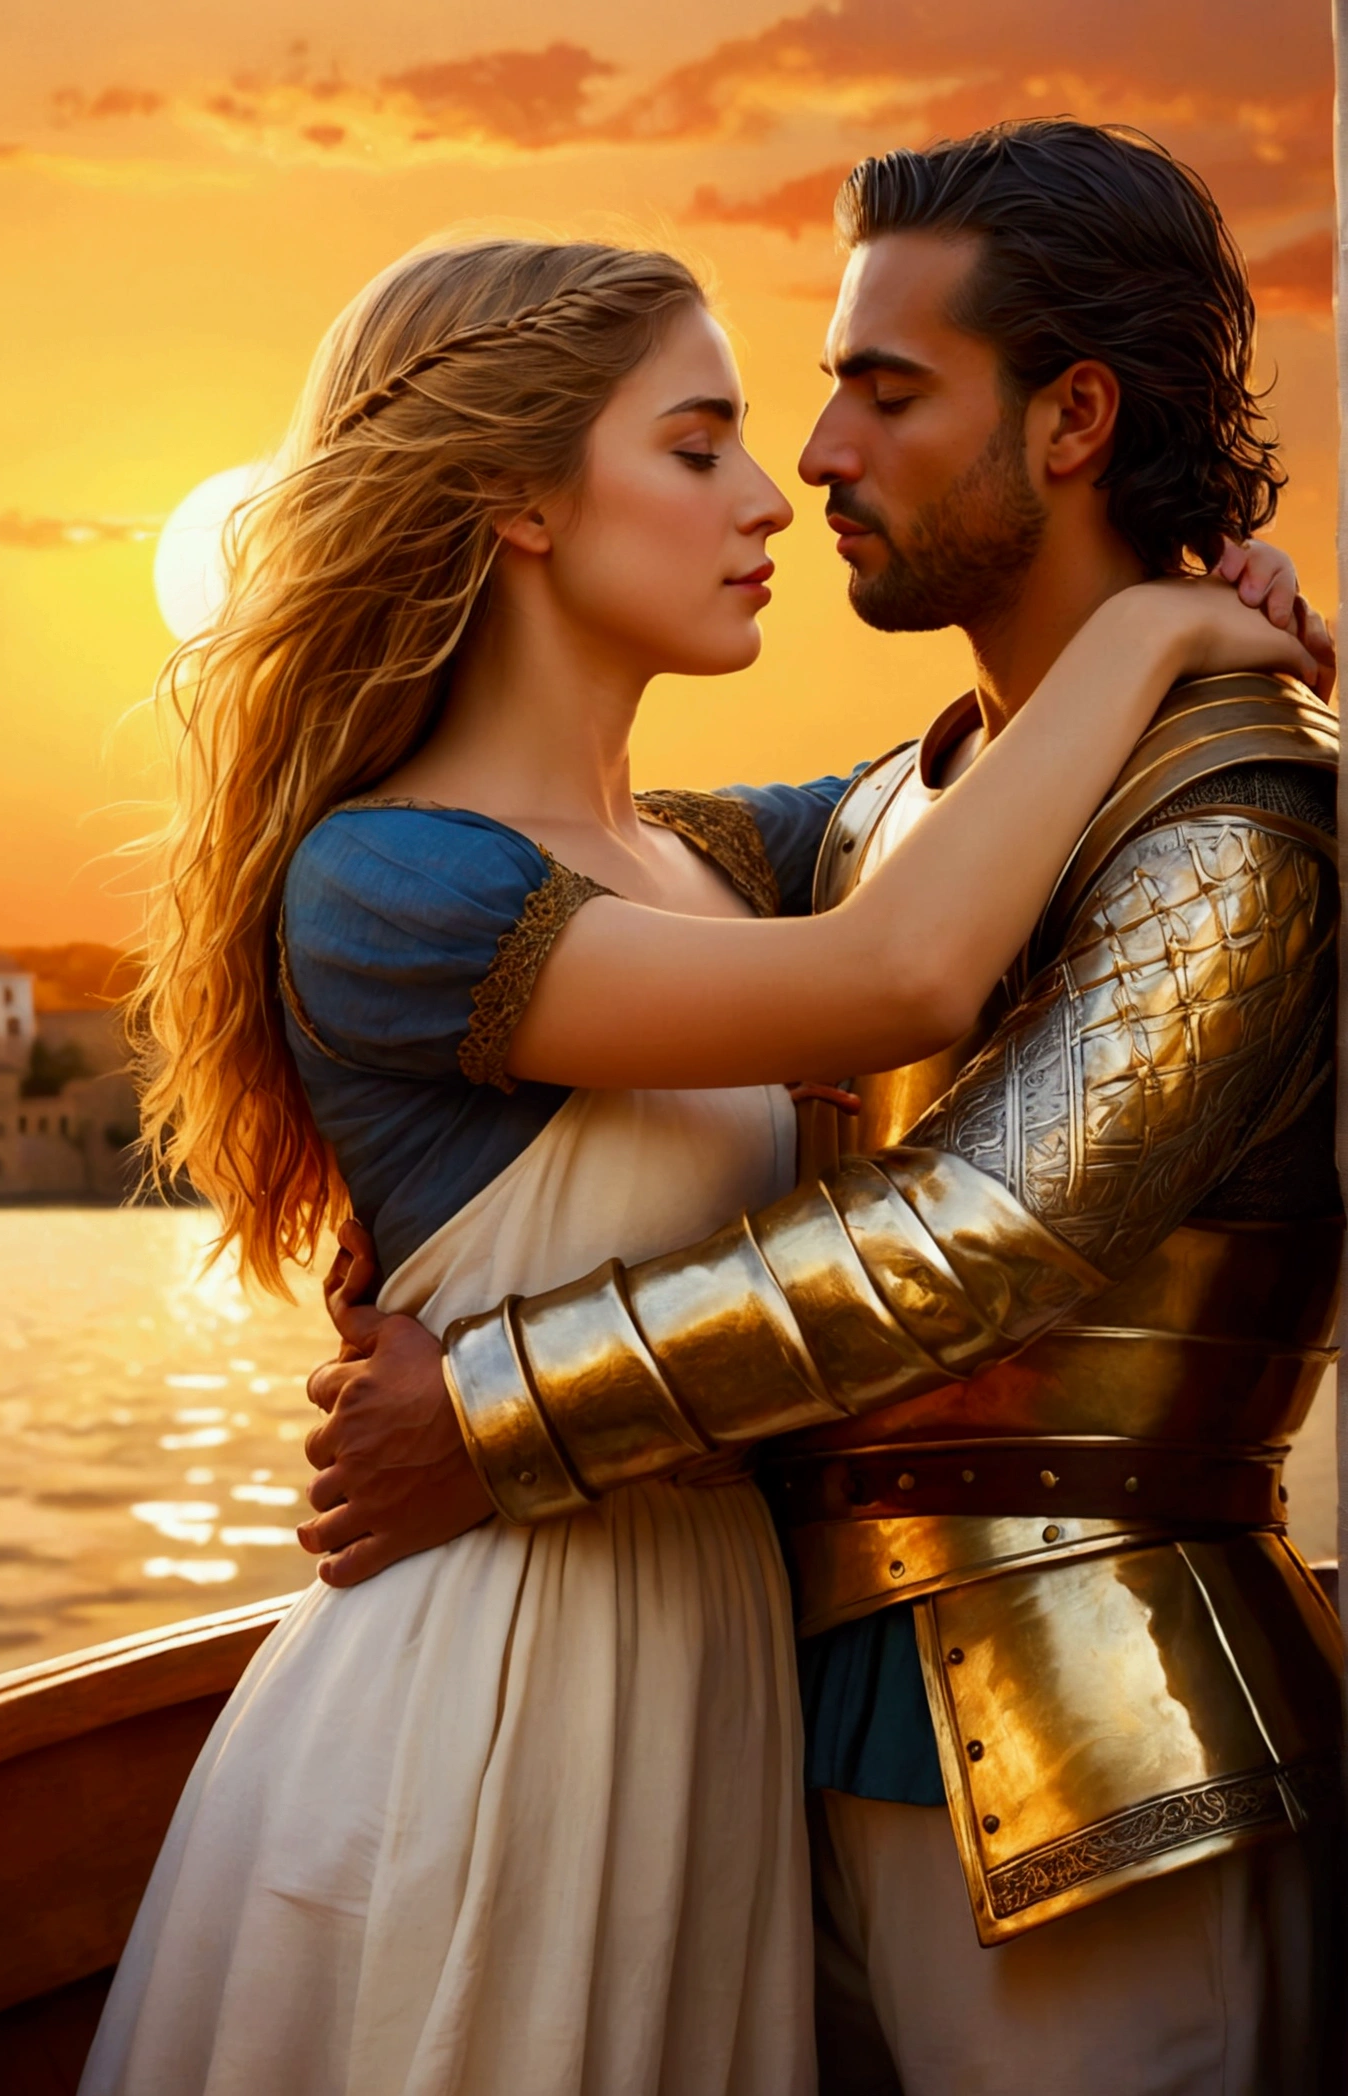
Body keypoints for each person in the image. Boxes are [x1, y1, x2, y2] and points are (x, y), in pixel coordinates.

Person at [299, 126, 1343, 2096]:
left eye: (882, 389)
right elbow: (551, 869)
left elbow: (976, 1234)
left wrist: (496, 1408)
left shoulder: (1235, 816)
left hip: (1098, 1742)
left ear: (1070, 420)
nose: (818, 455)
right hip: (775, 1733)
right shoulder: (882, 814)